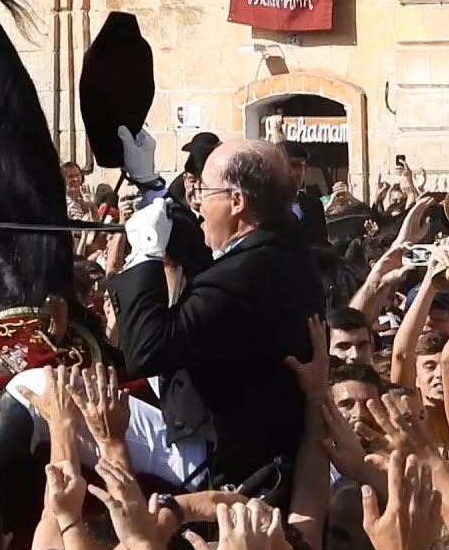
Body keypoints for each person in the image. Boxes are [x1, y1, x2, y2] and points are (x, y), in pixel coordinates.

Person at [108, 138, 325, 484]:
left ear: (237, 201)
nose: (197, 202)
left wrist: (145, 254)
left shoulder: (242, 277)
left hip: (214, 456)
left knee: (36, 388)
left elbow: (145, 350)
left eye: (205, 191)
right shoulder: (281, 245)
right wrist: (150, 187)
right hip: (239, 435)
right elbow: (203, 251)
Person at [279, 140, 329, 248]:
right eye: (290, 165)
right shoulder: (264, 204)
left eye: (298, 166)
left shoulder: (313, 205)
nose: (294, 173)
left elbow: (322, 245)